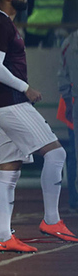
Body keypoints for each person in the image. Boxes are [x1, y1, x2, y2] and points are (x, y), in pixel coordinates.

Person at [0, 0, 76, 251]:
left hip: (4, 106)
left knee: (9, 172)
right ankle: (51, 219)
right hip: (12, 104)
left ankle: (3, 236)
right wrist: (26, 88)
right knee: (57, 154)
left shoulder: (3, 24)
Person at [58, 30, 78, 213]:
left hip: (73, 102)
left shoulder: (70, 42)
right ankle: (74, 197)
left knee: (74, 154)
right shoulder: (70, 43)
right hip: (73, 102)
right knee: (74, 154)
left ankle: (75, 198)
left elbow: (62, 75)